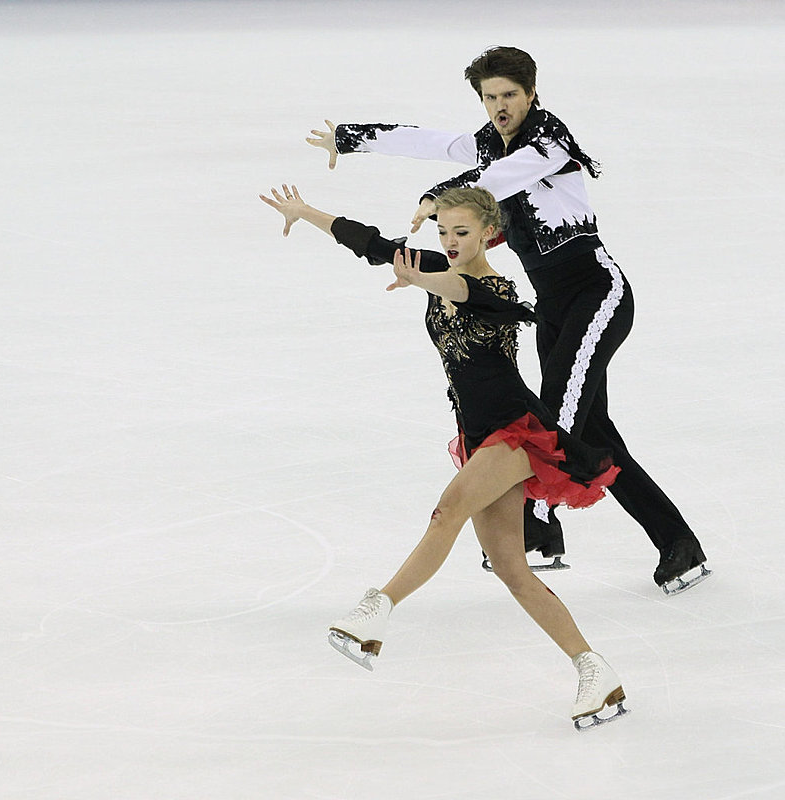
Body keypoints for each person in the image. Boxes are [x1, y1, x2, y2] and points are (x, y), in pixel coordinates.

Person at [305, 46, 710, 594]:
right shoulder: (488, 144)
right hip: (551, 307)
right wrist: (353, 137)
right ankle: (677, 545)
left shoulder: (548, 140)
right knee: (590, 429)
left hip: (596, 292)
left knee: (556, 416)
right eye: (490, 97)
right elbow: (429, 141)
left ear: (532, 93)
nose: (500, 106)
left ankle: (538, 527)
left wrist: (436, 198)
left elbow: (494, 180)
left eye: (510, 95)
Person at [259, 183, 628, 730]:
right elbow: (369, 242)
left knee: (447, 510)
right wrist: (305, 211)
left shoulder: (496, 288)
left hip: (518, 432)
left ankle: (376, 609)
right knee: (511, 569)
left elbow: (457, 289)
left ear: (488, 233)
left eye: (461, 232)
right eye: (443, 232)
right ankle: (595, 671)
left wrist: (420, 278)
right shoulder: (435, 268)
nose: (451, 241)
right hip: (479, 436)